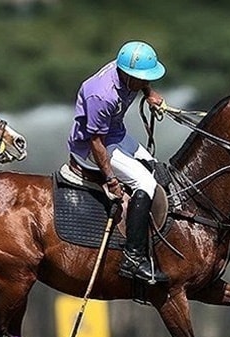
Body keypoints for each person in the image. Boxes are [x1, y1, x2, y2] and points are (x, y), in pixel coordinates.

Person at [67, 40, 169, 283]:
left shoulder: (126, 70)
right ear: (127, 74)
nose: (145, 81)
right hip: (92, 146)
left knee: (156, 168)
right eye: (142, 79)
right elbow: (96, 142)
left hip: (116, 134)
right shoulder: (102, 95)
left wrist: (150, 93)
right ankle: (132, 259)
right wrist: (112, 180)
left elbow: (142, 79)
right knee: (145, 183)